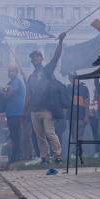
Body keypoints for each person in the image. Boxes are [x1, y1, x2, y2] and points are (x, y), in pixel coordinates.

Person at [25, 32, 67, 164]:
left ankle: (58, 155)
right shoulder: (31, 77)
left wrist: (60, 42)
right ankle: (45, 157)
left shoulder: (47, 70)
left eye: (37, 57)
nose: (35, 60)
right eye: (33, 58)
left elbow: (56, 57)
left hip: (47, 109)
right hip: (34, 110)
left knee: (50, 132)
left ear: (41, 59)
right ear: (31, 61)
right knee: (39, 136)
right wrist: (24, 111)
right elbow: (28, 95)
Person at [0, 65, 26, 168]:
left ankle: (16, 157)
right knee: (13, 136)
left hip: (17, 113)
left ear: (17, 72)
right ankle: (14, 156)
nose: (10, 73)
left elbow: (9, 93)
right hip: (10, 113)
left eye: (12, 71)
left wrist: (1, 91)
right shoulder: (9, 83)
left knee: (16, 136)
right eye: (9, 71)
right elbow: (5, 92)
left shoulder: (17, 82)